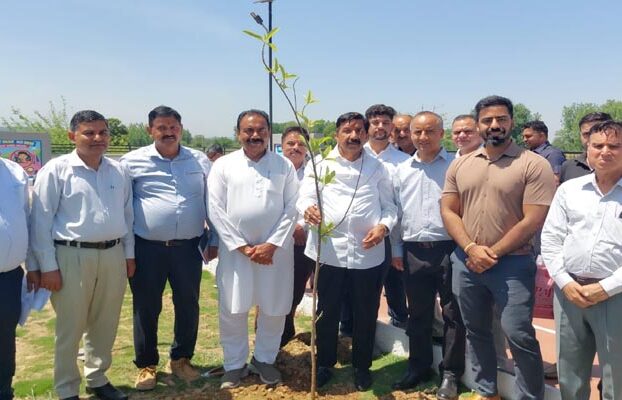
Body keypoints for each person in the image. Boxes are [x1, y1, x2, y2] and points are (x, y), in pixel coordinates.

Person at [441, 95, 555, 400]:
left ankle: (529, 396)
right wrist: (470, 248)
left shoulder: (534, 165)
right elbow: (449, 211)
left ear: (511, 122)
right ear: (478, 124)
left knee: (518, 333)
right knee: (476, 330)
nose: (495, 125)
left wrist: (491, 253)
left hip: (513, 264)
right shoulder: (461, 164)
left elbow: (533, 219)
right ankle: (486, 391)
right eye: (487, 120)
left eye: (501, 119)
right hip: (466, 262)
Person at [30, 110, 134, 400]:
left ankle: (97, 378)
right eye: (89, 132)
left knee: (106, 321)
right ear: (72, 136)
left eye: (103, 132)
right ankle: (66, 388)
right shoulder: (57, 170)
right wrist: (47, 266)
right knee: (70, 325)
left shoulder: (118, 171)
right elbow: (40, 221)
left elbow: (128, 215)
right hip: (71, 256)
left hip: (112, 254)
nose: (98, 138)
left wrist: (129, 255)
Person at [298, 112, 397, 391]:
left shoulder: (378, 168)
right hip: (328, 253)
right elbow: (304, 197)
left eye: (358, 131)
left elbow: (390, 207)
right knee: (327, 311)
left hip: (367, 254)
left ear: (365, 134)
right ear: (337, 134)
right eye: (347, 130)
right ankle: (325, 363)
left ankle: (362, 367)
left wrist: (383, 227)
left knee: (366, 312)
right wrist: (307, 209)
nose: (353, 136)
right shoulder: (320, 165)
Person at [121, 106, 215, 390]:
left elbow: (212, 202)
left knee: (188, 303)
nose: (168, 132)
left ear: (181, 129)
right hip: (147, 248)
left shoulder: (199, 160)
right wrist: (128, 253)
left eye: (173, 127)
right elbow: (124, 209)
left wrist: (214, 240)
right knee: (146, 306)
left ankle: (181, 359)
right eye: (161, 127)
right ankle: (146, 364)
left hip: (188, 248)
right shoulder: (131, 162)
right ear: (150, 130)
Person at [208, 109, 298, 389]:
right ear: (238, 134)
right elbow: (215, 208)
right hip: (236, 253)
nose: (255, 135)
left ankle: (264, 359)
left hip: (276, 253)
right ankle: (234, 364)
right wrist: (243, 247)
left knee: (274, 307)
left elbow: (292, 208)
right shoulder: (223, 166)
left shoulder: (284, 166)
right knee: (232, 307)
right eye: (248, 130)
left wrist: (272, 244)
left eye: (261, 130)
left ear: (269, 133)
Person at [541, 120, 622, 400]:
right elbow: (551, 239)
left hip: (616, 296)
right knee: (569, 374)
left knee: (616, 378)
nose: (605, 152)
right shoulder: (569, 190)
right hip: (570, 294)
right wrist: (565, 282)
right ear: (587, 149)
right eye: (597, 145)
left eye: (614, 146)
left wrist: (606, 287)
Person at [391, 111, 465, 400]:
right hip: (413, 252)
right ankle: (418, 367)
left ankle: (451, 374)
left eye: (430, 131)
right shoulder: (401, 170)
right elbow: (397, 214)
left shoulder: (456, 166)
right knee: (418, 314)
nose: (423, 137)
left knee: (453, 314)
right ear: (410, 134)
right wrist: (397, 250)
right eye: (417, 132)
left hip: (449, 249)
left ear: (441, 134)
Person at [363, 104, 409, 330]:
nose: (380, 127)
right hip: (362, 235)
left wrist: (397, 246)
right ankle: (354, 329)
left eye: (385, 123)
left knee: (396, 285)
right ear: (367, 125)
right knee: (361, 290)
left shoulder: (404, 161)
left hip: (394, 234)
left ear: (392, 127)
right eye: (375, 122)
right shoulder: (355, 155)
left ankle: (399, 326)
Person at [279, 126, 315, 346]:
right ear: (282, 146)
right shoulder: (272, 169)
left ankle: (287, 329)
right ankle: (267, 335)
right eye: (290, 143)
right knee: (272, 290)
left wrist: (302, 226)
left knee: (296, 289)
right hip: (276, 241)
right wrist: (293, 227)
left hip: (303, 242)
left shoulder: (315, 172)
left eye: (301, 144)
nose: (296, 147)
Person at [0, 157, 29, 400]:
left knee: (4, 337)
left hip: (9, 277)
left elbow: (26, 217)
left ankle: (4, 389)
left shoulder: (13, 171)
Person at [559, 112, 613, 184]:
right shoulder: (568, 167)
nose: (591, 138)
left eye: (597, 132)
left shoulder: (618, 167)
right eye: (586, 134)